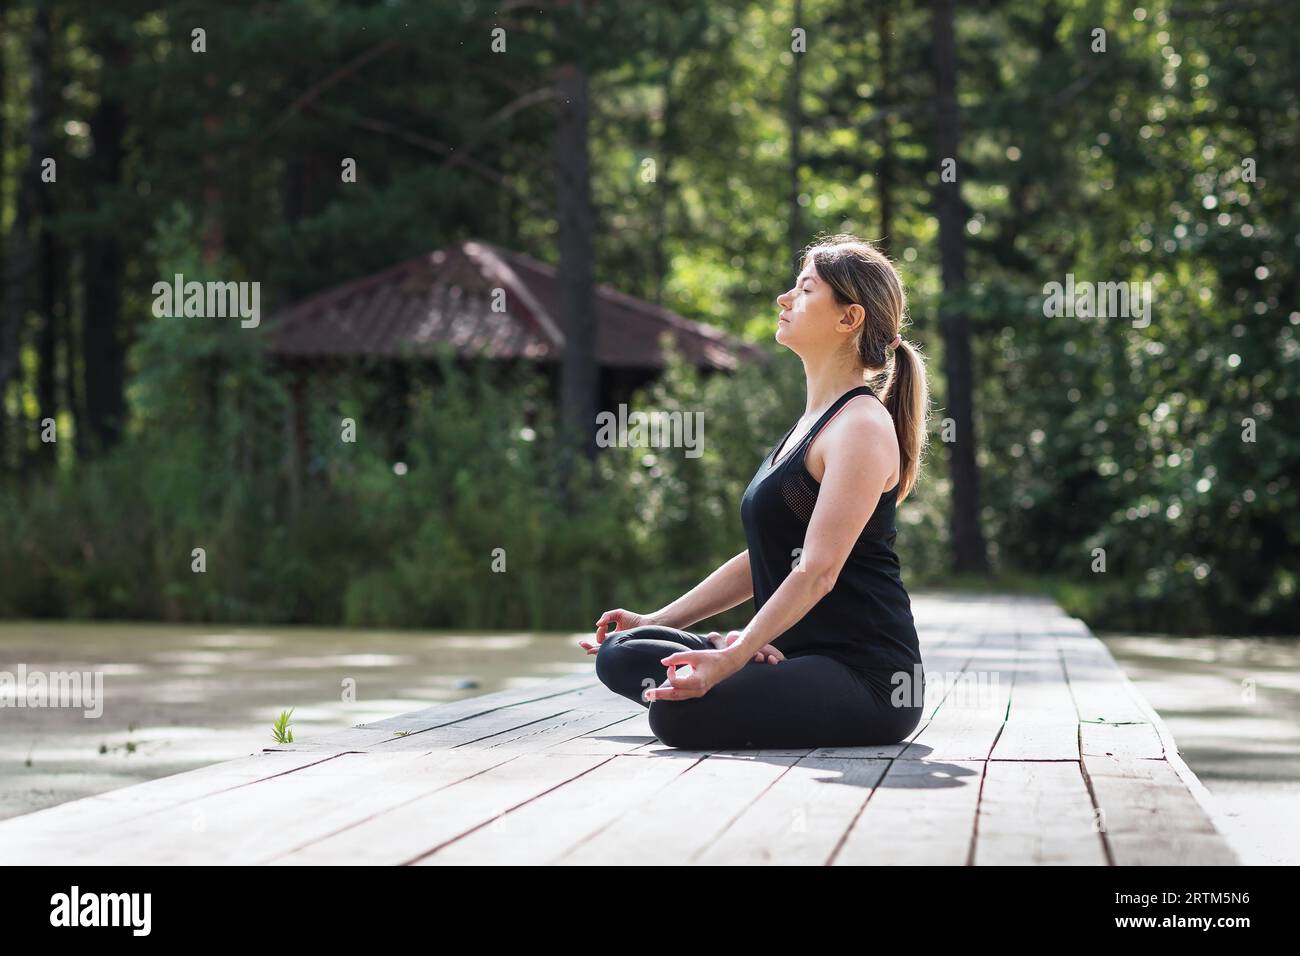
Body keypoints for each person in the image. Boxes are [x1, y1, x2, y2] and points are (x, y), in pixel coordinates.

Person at [578, 234, 931, 750]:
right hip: (794, 656)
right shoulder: (812, 423)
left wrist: (736, 654)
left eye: (804, 289)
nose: (784, 299)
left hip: (868, 679)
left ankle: (740, 657)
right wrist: (659, 619)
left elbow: (817, 570)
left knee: (677, 720)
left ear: (848, 318)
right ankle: (739, 653)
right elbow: (766, 555)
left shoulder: (860, 425)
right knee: (623, 650)